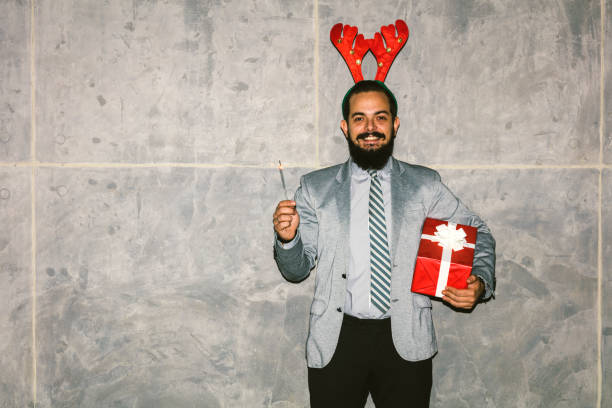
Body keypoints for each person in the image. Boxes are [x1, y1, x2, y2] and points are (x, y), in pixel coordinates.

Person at [272, 80, 495, 408]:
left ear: (395, 124)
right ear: (345, 127)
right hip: (337, 339)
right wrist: (287, 239)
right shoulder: (315, 187)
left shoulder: (425, 186)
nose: (370, 127)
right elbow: (296, 271)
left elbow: (478, 232)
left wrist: (480, 281)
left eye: (380, 117)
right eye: (360, 119)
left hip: (405, 337)